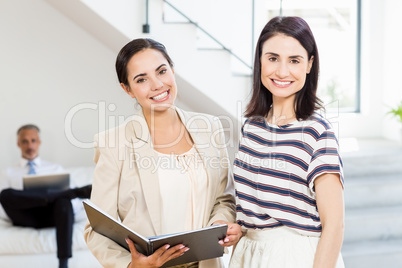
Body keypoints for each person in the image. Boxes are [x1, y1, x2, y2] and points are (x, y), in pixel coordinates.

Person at [83, 38, 242, 268]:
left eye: (161, 71)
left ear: (173, 71)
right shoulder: (113, 143)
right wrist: (129, 265)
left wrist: (221, 224)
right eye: (141, 79)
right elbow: (97, 229)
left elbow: (223, 199)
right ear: (127, 89)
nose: (157, 85)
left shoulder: (210, 128)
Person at [229, 16, 345, 268]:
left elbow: (334, 225)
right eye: (272, 58)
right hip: (249, 254)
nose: (282, 71)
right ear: (260, 60)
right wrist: (240, 228)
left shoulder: (317, 131)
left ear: (309, 64)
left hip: (295, 256)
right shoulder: (252, 126)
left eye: (294, 60)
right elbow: (253, 207)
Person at [0, 124, 92, 268]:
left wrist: (56, 200)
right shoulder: (8, 173)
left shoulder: (56, 169)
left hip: (53, 216)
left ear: (39, 142)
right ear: (18, 144)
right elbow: (4, 205)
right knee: (5, 194)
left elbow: (73, 206)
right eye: (25, 141)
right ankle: (71, 192)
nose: (29, 145)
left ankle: (63, 264)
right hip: (25, 216)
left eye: (33, 140)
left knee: (64, 202)